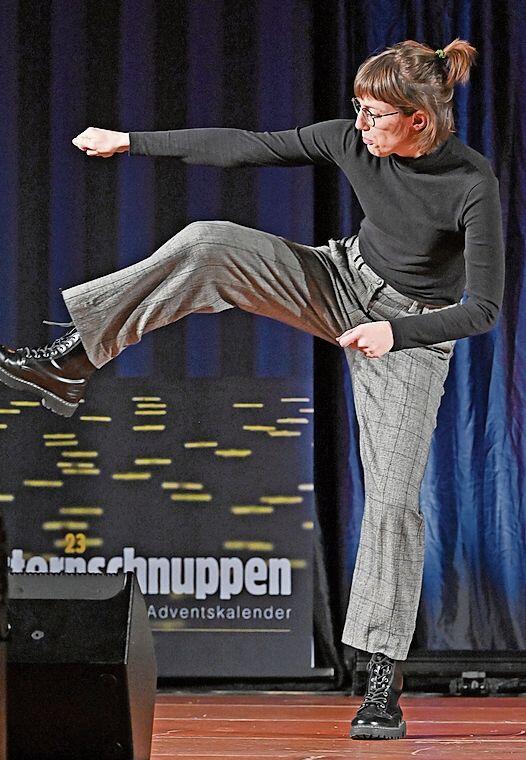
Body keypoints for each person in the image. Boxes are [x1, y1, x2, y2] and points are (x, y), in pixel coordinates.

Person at [0, 38, 504, 740]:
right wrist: (132, 141)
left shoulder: (472, 182)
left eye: (376, 115)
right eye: (357, 111)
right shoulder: (351, 141)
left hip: (415, 331)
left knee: (391, 502)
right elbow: (243, 145)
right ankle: (74, 357)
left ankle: (382, 679)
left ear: (419, 118)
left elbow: (483, 308)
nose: (360, 125)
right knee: (209, 242)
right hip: (340, 281)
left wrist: (396, 336)